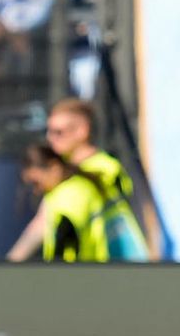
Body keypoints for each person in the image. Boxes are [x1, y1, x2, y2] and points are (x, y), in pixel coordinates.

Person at [8, 97, 146, 260]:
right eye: (48, 131)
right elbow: (41, 222)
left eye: (58, 132)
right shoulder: (65, 178)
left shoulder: (105, 169)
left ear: (82, 130)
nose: (50, 138)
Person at [21, 142, 110, 262]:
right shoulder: (62, 191)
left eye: (36, 183)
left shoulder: (70, 195)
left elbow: (64, 233)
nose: (36, 191)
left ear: (54, 169)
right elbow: (38, 226)